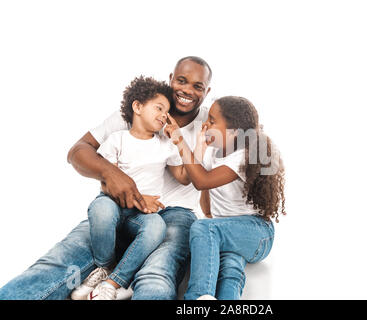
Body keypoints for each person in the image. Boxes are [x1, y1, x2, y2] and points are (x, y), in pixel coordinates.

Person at [0, 56, 247, 300]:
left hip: (174, 214)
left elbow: (248, 145)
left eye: (198, 86)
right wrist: (111, 173)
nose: (187, 90)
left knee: (157, 276)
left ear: (207, 91)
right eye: (181, 81)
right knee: (59, 262)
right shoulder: (137, 112)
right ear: (170, 79)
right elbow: (78, 150)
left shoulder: (213, 123)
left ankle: (117, 281)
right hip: (120, 206)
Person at [71, 76, 191, 300]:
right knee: (101, 210)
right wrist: (140, 197)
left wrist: (179, 140)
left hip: (143, 215)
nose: (164, 115)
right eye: (159, 108)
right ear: (137, 107)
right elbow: (107, 183)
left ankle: (114, 281)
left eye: (167, 112)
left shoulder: (165, 146)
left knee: (157, 226)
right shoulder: (117, 139)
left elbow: (184, 177)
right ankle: (104, 266)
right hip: (113, 204)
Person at [164, 96, 286, 300]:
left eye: (212, 121)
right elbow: (206, 200)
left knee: (202, 227)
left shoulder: (244, 156)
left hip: (257, 233)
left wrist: (179, 140)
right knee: (229, 266)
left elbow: (201, 181)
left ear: (234, 133)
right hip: (228, 231)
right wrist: (201, 147)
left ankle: (197, 298)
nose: (206, 124)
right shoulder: (214, 153)